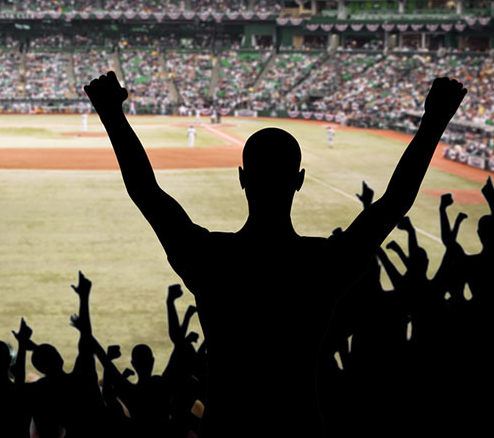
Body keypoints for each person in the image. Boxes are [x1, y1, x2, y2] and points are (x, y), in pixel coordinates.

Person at [84, 71, 467, 435]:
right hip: (299, 426)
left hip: (227, 428)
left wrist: (112, 114)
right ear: (299, 181)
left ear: (242, 178)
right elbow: (394, 202)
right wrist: (435, 120)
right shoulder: (323, 264)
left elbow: (146, 192)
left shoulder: (211, 258)